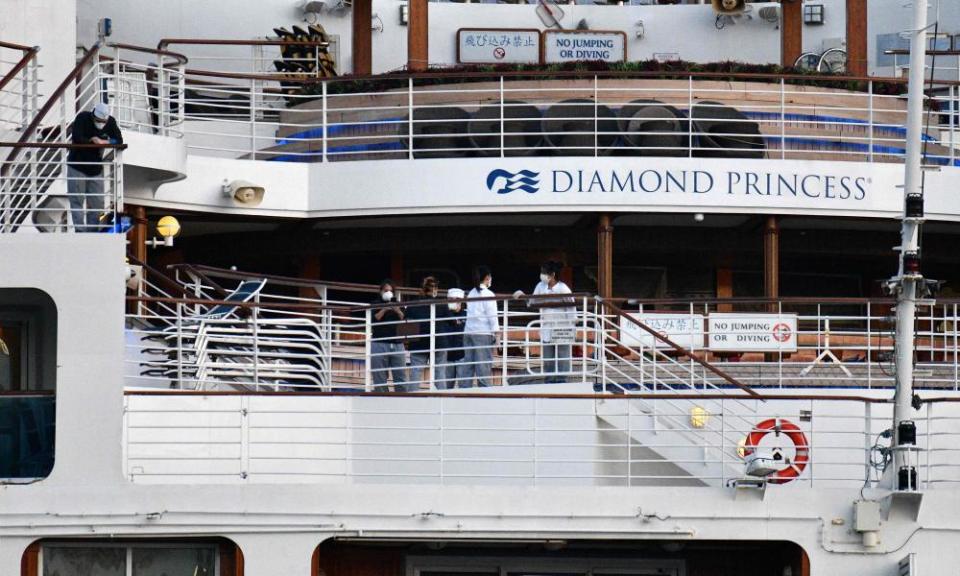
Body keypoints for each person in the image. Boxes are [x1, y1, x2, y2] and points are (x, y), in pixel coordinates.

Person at [514, 261, 575, 383]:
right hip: (546, 326)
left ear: (552, 275)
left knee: (563, 356)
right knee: (548, 357)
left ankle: (561, 380)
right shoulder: (540, 286)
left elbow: (571, 308)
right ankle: (549, 380)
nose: (541, 275)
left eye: (544, 273)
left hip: (562, 326)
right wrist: (522, 296)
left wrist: (572, 327)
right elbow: (533, 301)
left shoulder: (563, 288)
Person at [67, 102, 123, 232]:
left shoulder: (110, 122)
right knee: (77, 201)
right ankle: (80, 231)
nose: (101, 123)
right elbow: (77, 137)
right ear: (93, 116)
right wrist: (91, 140)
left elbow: (118, 140)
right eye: (98, 121)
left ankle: (92, 231)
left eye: (103, 121)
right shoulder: (83, 118)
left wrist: (105, 142)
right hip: (77, 165)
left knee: (97, 203)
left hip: (95, 168)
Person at [406, 276, 451, 388]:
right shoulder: (442, 304)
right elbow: (451, 321)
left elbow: (406, 322)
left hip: (418, 343)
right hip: (439, 343)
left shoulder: (413, 304)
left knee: (416, 373)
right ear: (435, 288)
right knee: (440, 373)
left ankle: (412, 399)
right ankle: (444, 400)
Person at [369, 280, 409, 391]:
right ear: (381, 291)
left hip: (397, 344)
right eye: (386, 290)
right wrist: (385, 308)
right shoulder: (375, 303)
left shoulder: (399, 304)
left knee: (400, 376)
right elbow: (373, 319)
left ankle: (401, 401)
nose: (388, 293)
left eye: (391, 291)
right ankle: (381, 401)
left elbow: (405, 319)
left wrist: (397, 309)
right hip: (379, 343)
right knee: (379, 377)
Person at [463, 266, 499, 387]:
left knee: (468, 365)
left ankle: (464, 390)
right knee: (483, 366)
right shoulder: (489, 294)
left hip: (468, 332)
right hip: (483, 333)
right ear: (487, 278)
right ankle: (484, 392)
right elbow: (492, 317)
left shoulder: (471, 293)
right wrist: (497, 334)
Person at [437, 287, 467, 389]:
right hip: (447, 356)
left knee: (464, 386)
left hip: (462, 355)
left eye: (456, 300)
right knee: (446, 387)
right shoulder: (443, 315)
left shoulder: (467, 315)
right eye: (451, 299)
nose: (454, 302)